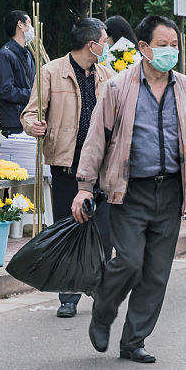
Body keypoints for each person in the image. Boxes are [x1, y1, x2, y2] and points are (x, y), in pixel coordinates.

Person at [73, 15, 186, 364]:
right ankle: (103, 311)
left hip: (171, 192)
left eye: (174, 45)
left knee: (156, 272)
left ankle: (133, 341)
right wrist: (84, 187)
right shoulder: (118, 87)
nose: (170, 52)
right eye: (163, 45)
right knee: (130, 262)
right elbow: (96, 139)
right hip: (130, 192)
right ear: (144, 48)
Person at [21, 18, 115, 319]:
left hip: (102, 165)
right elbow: (30, 113)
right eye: (105, 40)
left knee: (103, 231)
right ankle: (68, 294)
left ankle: (100, 289)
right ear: (92, 45)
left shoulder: (107, 75)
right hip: (66, 163)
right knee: (69, 227)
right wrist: (32, 125)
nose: (108, 46)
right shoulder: (50, 72)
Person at [0, 10, 36, 136]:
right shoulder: (6, 54)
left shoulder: (27, 53)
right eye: (29, 23)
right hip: (13, 124)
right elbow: (5, 90)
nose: (32, 28)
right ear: (20, 24)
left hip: (27, 121)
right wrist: (34, 94)